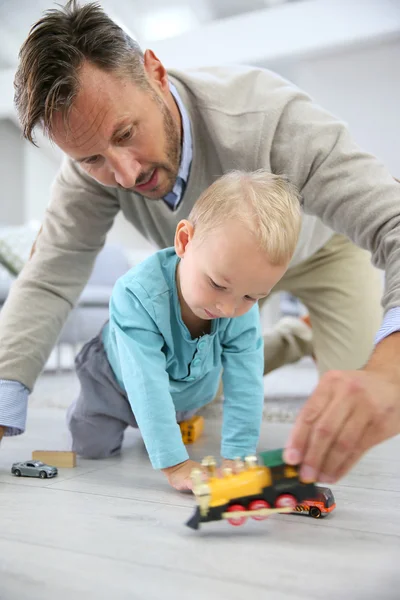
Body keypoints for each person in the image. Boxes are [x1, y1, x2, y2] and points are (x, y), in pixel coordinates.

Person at [0, 1, 399, 486]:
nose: (125, 175)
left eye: (126, 134)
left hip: (322, 254)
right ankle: (292, 337)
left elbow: (392, 220)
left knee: (358, 409)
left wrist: (389, 371)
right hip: (216, 281)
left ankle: (306, 332)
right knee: (197, 380)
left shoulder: (270, 116)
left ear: (155, 72)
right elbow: (47, 279)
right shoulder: (90, 175)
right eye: (92, 159)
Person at [67, 170, 301, 491]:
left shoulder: (237, 302)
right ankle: (103, 416)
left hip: (186, 388)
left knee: (179, 410)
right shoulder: (136, 296)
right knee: (92, 446)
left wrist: (238, 456)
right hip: (114, 382)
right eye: (217, 284)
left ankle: (171, 421)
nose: (229, 309)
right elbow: (145, 383)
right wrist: (175, 464)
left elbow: (245, 379)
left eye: (251, 296)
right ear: (184, 241)